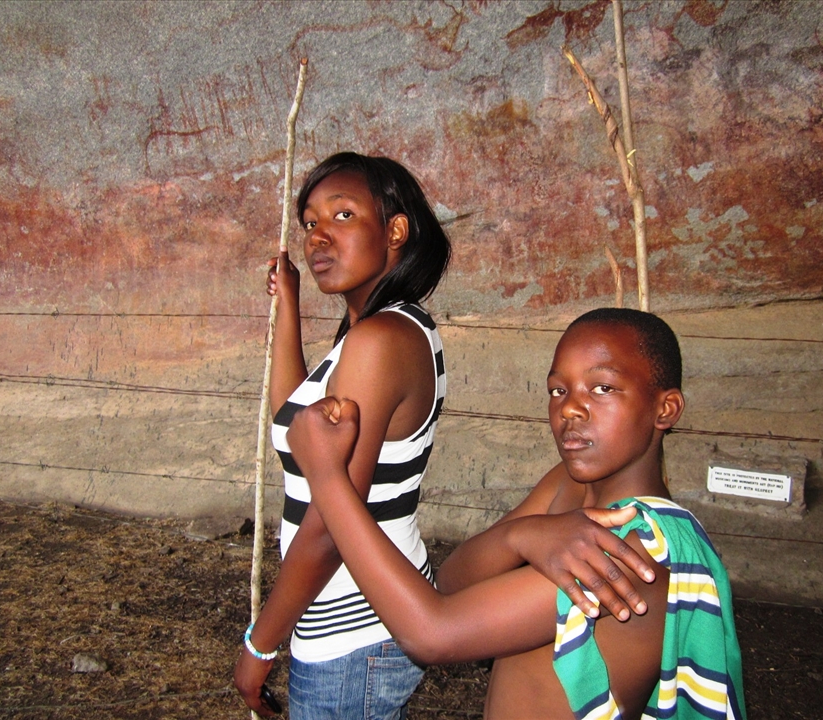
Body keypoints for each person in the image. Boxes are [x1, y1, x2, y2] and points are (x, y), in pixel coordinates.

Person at [233, 154, 655, 719]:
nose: (318, 238)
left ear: (396, 230)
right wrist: (288, 304)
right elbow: (293, 420)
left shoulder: (379, 341)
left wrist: (262, 643)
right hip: (362, 616)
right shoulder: (383, 330)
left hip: (351, 629)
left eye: (342, 215)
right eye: (309, 223)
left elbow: (330, 524)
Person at [288, 308, 747, 720]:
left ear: (665, 408)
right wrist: (522, 537)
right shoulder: (567, 487)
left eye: (603, 387)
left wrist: (328, 477)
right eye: (557, 389)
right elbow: (452, 581)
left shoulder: (639, 548)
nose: (570, 407)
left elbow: (432, 633)